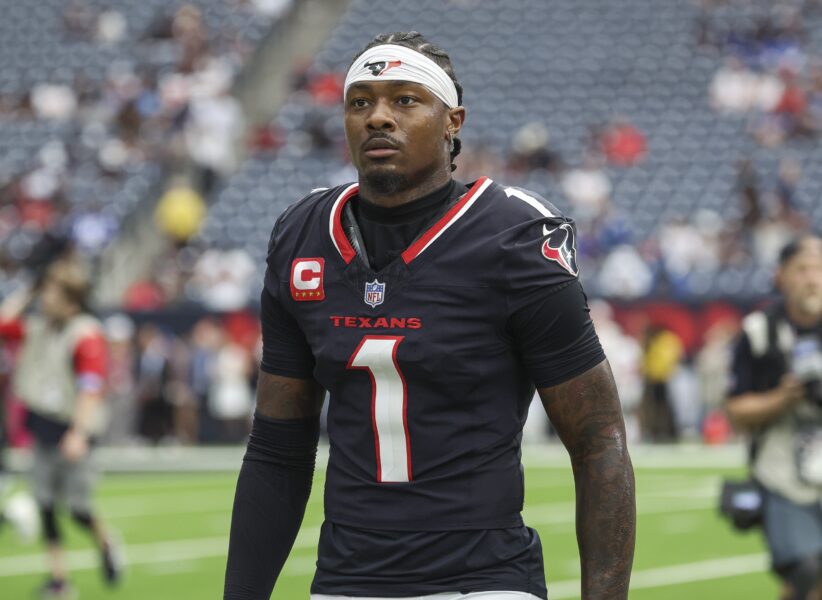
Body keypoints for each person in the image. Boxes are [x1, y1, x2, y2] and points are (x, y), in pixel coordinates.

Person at [224, 31, 635, 600]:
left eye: (405, 99)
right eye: (360, 101)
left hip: (482, 579)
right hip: (345, 580)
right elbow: (277, 447)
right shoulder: (301, 235)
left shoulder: (512, 236)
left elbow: (598, 440)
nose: (378, 118)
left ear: (452, 121)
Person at [0, 259, 122, 598]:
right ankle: (59, 580)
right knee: (45, 504)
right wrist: (31, 288)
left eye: (52, 292)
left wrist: (79, 433)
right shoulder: (38, 326)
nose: (45, 298)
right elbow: (3, 322)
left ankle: (106, 541)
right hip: (42, 425)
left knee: (78, 509)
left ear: (70, 298)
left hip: (73, 429)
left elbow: (91, 386)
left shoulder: (85, 334)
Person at [726, 236, 822, 600]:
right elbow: (735, 409)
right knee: (804, 570)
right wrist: (781, 398)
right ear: (780, 275)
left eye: (819, 268)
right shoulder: (759, 331)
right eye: (802, 269)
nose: (813, 278)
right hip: (781, 471)